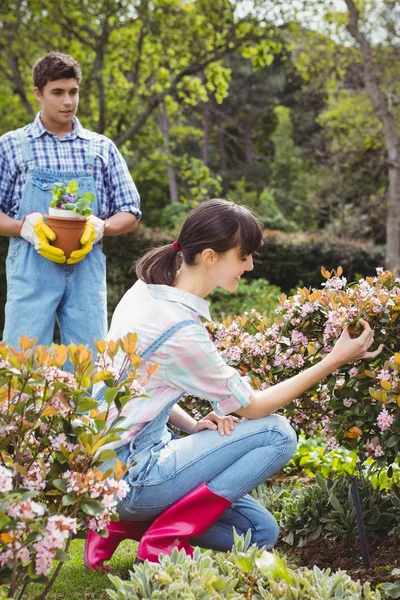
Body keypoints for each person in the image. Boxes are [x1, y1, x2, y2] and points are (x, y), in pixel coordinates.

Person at [84, 199, 382, 569]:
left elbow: (137, 388)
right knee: (278, 433)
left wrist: (192, 425)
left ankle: (122, 523)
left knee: (260, 533)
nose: (250, 265)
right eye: (243, 256)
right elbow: (254, 407)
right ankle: (164, 536)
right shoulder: (179, 328)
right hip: (134, 474)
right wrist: (334, 359)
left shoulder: (145, 291)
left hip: (111, 468)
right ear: (210, 256)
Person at [0, 52, 141, 355]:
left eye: (73, 92)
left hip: (85, 267)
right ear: (38, 93)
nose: (68, 101)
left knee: (88, 363)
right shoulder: (11, 146)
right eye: (58, 92)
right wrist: (23, 228)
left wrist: (101, 226)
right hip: (30, 267)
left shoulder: (101, 148)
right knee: (20, 362)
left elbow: (130, 211)